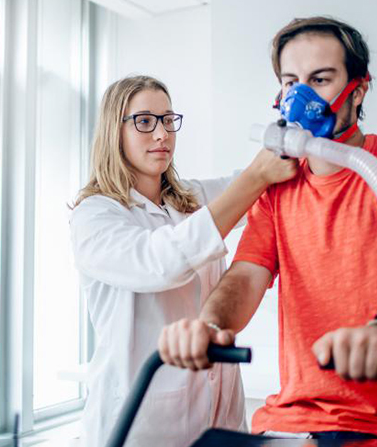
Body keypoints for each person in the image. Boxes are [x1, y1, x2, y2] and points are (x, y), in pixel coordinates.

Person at [158, 17, 377, 442]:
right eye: (290, 82)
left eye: (320, 79)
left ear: (357, 90)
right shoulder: (278, 186)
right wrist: (209, 326)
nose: (299, 97)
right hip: (296, 421)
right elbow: (247, 276)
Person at [70, 75, 297, 447]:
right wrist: (257, 175)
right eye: (144, 121)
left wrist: (294, 129)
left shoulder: (190, 197)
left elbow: (257, 187)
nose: (162, 134)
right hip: (140, 423)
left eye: (168, 119)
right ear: (115, 131)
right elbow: (159, 262)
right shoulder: (94, 216)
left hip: (219, 414)